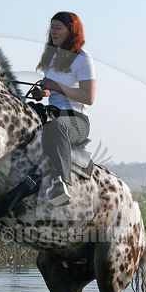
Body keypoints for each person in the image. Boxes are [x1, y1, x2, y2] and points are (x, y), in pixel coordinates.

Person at [32, 11, 96, 206]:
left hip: (76, 120)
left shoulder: (83, 58)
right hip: (53, 112)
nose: (53, 31)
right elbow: (51, 92)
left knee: (54, 128)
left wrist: (56, 86)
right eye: (52, 27)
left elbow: (89, 97)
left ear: (71, 31)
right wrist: (42, 94)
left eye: (58, 27)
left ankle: (61, 183)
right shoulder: (50, 58)